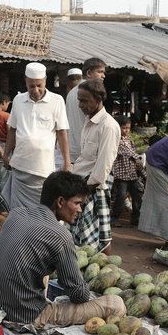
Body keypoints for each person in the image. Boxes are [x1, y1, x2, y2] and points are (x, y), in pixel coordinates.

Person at [0, 171, 126, 326]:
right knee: (116, 304)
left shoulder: (17, 213)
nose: (80, 210)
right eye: (77, 203)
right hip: (25, 315)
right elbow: (79, 295)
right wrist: (87, 283)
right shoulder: (61, 236)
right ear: (60, 202)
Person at [3, 62, 70, 210]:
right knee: (18, 212)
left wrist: (67, 162)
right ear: (25, 81)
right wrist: (6, 154)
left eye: (39, 85)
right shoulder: (18, 100)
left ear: (45, 80)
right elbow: (12, 130)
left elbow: (61, 132)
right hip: (19, 166)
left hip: (43, 170)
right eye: (31, 86)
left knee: (43, 211)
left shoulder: (57, 100)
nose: (36, 90)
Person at [70, 79, 120, 253]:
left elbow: (104, 165)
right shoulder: (88, 120)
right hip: (82, 183)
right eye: (79, 100)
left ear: (98, 99)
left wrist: (85, 191)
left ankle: (107, 269)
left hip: (94, 186)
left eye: (84, 100)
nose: (80, 105)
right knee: (82, 232)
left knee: (100, 235)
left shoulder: (108, 126)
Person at [66, 58, 106, 164]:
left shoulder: (71, 93)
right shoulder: (90, 93)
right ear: (88, 73)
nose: (103, 76)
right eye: (100, 72)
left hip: (73, 149)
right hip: (87, 152)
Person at [111, 115, 143, 227]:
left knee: (137, 194)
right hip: (121, 175)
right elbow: (126, 152)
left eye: (128, 128)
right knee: (121, 195)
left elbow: (132, 152)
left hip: (132, 174)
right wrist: (139, 157)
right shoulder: (115, 140)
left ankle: (136, 218)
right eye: (124, 128)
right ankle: (114, 218)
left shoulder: (130, 140)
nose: (126, 130)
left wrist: (139, 167)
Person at [0, 93, 11, 195]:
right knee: (4, 177)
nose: (8, 107)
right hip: (5, 146)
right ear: (4, 102)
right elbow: (11, 133)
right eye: (8, 104)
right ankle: (3, 207)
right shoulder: (6, 116)